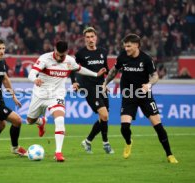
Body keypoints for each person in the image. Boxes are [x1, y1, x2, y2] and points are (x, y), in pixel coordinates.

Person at [102, 34, 178, 163]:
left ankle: (169, 154)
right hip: (128, 95)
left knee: (158, 126)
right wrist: (104, 83)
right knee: (124, 128)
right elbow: (113, 71)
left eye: (129, 46)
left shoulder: (146, 59)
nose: (126, 48)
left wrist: (148, 85)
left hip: (144, 95)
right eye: (125, 46)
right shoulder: (122, 56)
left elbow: (155, 76)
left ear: (137, 45)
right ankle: (129, 141)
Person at [26, 40, 106, 162]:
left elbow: (80, 69)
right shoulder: (45, 59)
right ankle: (41, 122)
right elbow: (32, 73)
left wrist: (96, 74)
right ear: (54, 49)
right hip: (39, 94)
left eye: (62, 55)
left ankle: (58, 153)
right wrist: (34, 79)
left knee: (59, 119)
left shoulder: (69, 61)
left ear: (67, 52)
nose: (59, 57)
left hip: (56, 95)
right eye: (57, 54)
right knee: (30, 121)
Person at [70, 27, 114, 154]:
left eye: (92, 36)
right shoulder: (80, 54)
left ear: (96, 38)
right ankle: (106, 143)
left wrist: (107, 82)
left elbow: (105, 68)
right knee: (104, 115)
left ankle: (88, 141)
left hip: (101, 86)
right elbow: (73, 69)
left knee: (104, 117)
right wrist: (74, 82)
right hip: (88, 87)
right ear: (84, 39)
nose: (90, 39)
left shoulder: (103, 52)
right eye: (87, 37)